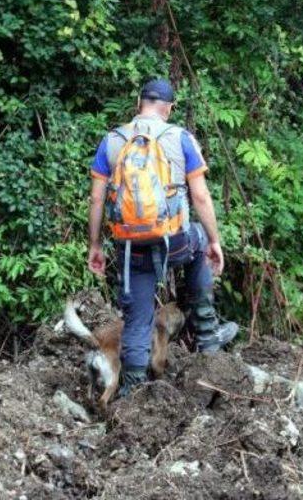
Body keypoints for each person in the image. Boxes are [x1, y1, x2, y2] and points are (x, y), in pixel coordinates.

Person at [88, 77, 239, 395]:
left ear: (139, 104)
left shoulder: (112, 141)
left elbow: (97, 199)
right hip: (176, 243)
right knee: (199, 241)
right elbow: (200, 196)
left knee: (138, 318)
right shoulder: (180, 137)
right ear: (168, 108)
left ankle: (131, 392)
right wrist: (214, 241)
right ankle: (209, 341)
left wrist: (95, 245)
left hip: (131, 247)